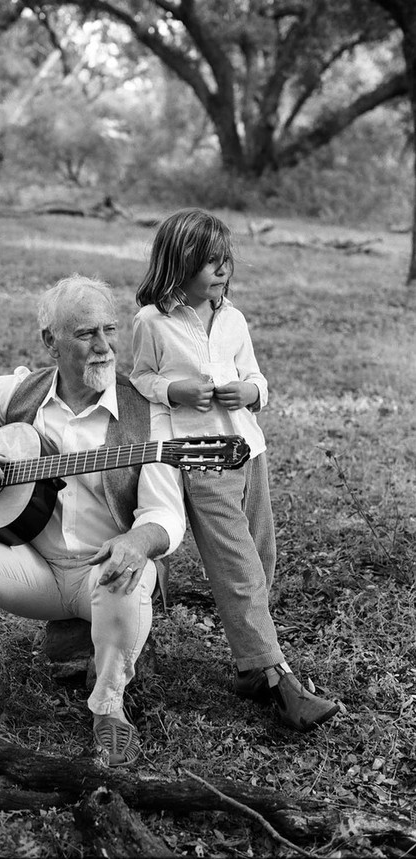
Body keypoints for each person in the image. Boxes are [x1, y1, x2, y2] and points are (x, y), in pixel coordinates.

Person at [0, 274, 185, 767]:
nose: (103, 347)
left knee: (126, 574)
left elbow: (165, 513)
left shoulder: (148, 416)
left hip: (103, 573)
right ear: (49, 341)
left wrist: (137, 541)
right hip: (36, 569)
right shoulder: (19, 394)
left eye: (110, 330)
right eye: (85, 334)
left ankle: (109, 709)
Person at [130, 208, 339, 732]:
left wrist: (252, 391)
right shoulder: (152, 322)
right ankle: (278, 679)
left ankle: (250, 667)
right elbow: (140, 380)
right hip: (198, 454)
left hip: (248, 448)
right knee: (237, 564)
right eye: (208, 263)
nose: (220, 271)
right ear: (178, 263)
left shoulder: (234, 319)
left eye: (225, 262)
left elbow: (256, 378)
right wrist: (174, 390)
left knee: (261, 554)